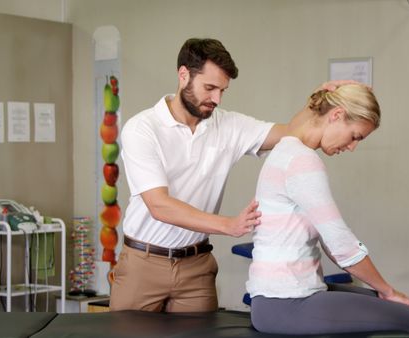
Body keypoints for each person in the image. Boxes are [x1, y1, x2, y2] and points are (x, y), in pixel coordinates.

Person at [111, 37, 346, 313]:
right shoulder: (142, 129)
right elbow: (159, 205)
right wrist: (228, 225)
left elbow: (289, 134)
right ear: (183, 75)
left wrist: (316, 102)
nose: (216, 99)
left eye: (222, 90)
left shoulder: (228, 125)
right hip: (143, 263)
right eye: (209, 88)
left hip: (196, 268)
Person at [247, 84, 409, 337]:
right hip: (286, 304)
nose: (352, 147)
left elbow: (331, 242)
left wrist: (381, 291)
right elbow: (341, 244)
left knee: (399, 307)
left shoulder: (286, 150)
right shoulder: (301, 160)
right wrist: (389, 291)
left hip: (282, 300)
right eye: (355, 136)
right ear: (336, 115)